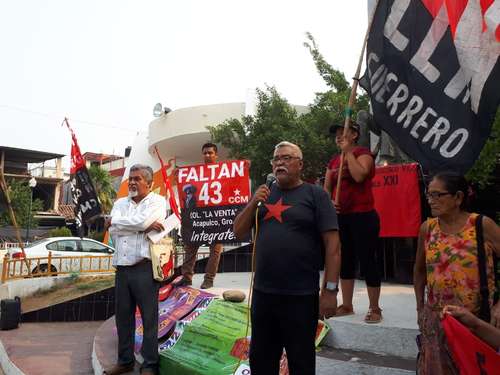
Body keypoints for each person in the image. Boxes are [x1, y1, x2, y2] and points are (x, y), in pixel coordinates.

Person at [234, 141, 341, 374]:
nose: (279, 163)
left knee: (301, 360)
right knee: (262, 360)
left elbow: (333, 246)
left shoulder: (316, 195)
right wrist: (253, 202)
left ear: (300, 164)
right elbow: (238, 231)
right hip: (264, 295)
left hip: (301, 296)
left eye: (286, 158)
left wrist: (330, 291)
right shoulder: (264, 194)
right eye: (276, 159)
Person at [414, 172, 500, 325]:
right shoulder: (427, 229)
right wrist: (420, 307)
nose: (430, 201)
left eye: (437, 195)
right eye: (429, 195)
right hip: (438, 322)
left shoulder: (481, 225)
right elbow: (420, 271)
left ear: (458, 197)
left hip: (477, 322)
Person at [104, 164, 166, 375]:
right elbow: (112, 230)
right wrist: (141, 226)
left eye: (137, 179)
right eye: (130, 178)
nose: (131, 182)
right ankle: (125, 361)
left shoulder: (157, 201)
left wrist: (124, 223)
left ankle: (149, 364)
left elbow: (143, 221)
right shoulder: (121, 202)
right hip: (122, 269)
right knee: (123, 317)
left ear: (149, 183)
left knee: (149, 319)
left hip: (144, 269)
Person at [323, 121, 382, 323]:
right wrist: (330, 203)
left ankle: (375, 308)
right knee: (345, 259)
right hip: (341, 217)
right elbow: (326, 191)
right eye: (336, 134)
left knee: (367, 259)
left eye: (343, 132)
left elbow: (359, 176)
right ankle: (347, 305)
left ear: (355, 134)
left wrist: (348, 152)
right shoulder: (333, 162)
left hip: (363, 215)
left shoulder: (363, 154)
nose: (339, 137)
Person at [176, 142, 223, 289]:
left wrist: (244, 167)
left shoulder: (224, 171)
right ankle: (186, 278)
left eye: (210, 153)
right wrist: (178, 176)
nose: (207, 155)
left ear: (216, 155)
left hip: (216, 217)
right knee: (190, 247)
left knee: (215, 250)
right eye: (205, 153)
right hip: (197, 217)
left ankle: (209, 279)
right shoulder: (196, 173)